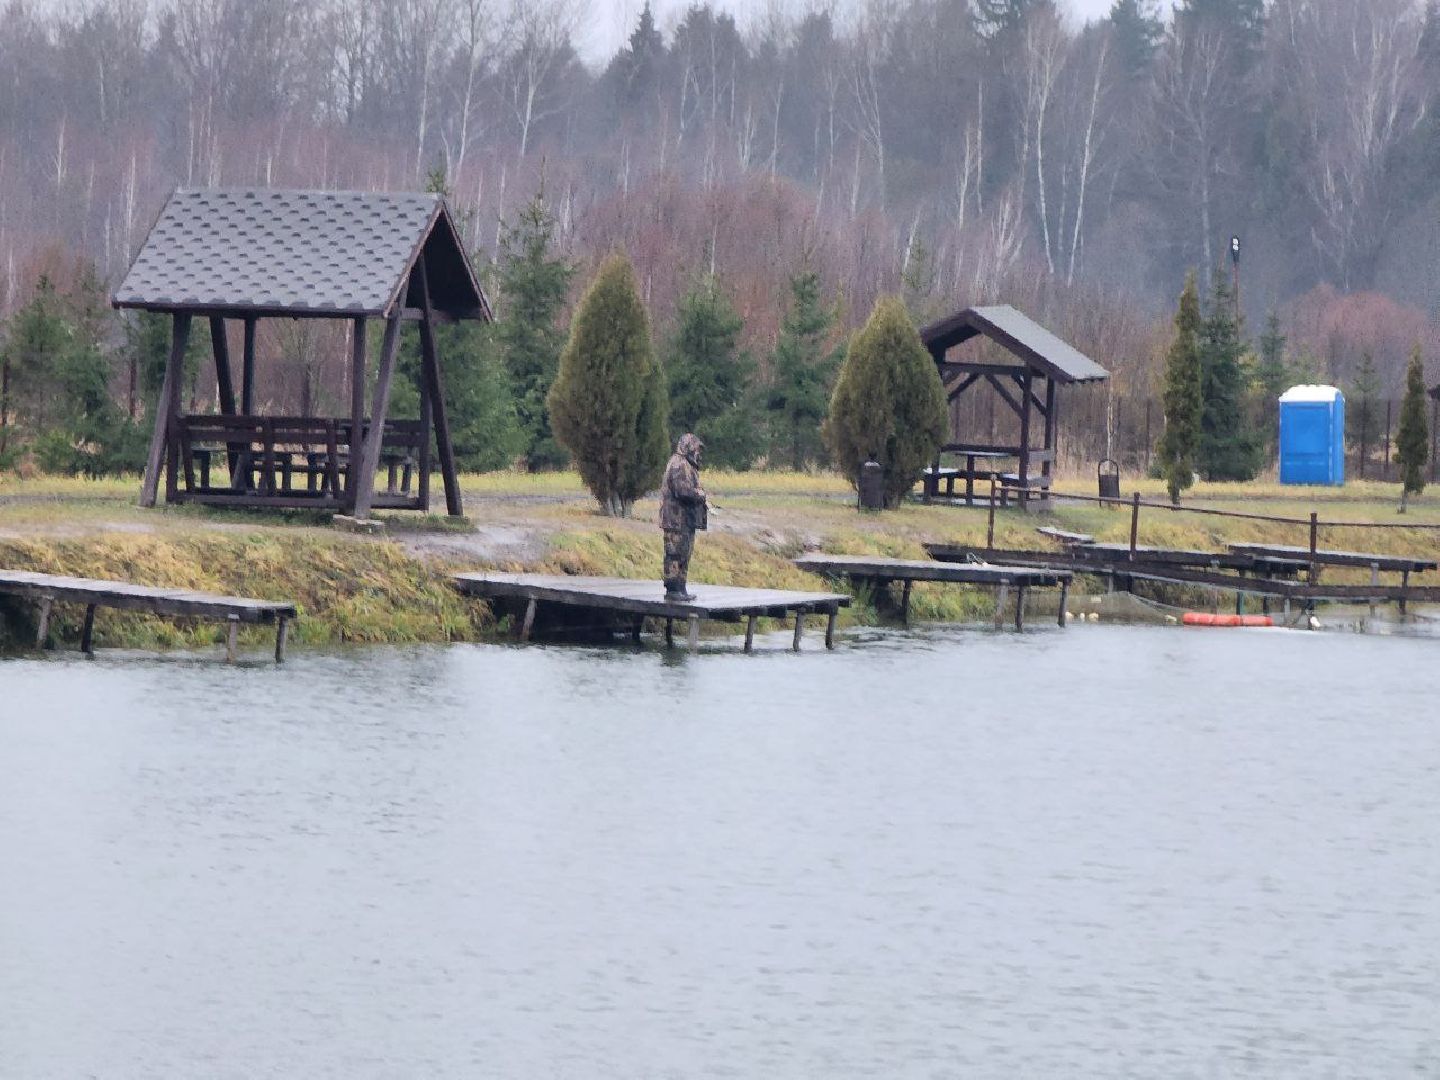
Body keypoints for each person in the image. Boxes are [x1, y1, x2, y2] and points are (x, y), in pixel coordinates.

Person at [659, 433, 708, 601]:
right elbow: (682, 491)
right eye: (695, 448)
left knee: (684, 554)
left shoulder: (687, 464)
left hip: (685, 521)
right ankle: (673, 590)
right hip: (675, 520)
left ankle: (681, 588)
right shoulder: (678, 464)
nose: (697, 452)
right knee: (674, 554)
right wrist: (700, 494)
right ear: (687, 446)